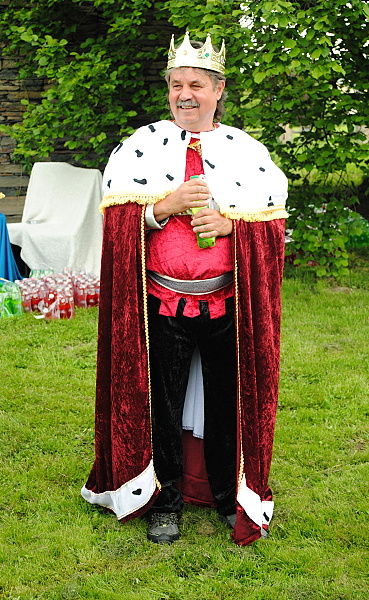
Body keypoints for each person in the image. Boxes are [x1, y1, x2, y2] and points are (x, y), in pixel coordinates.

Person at [81, 32, 288, 547]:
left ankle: (226, 497)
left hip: (226, 305)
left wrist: (232, 227)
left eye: (196, 85)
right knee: (162, 406)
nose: (184, 95)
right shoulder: (142, 147)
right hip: (160, 304)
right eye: (177, 85)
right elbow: (116, 228)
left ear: (218, 90)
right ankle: (165, 501)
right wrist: (163, 207)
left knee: (228, 404)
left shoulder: (247, 152)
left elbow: (272, 228)